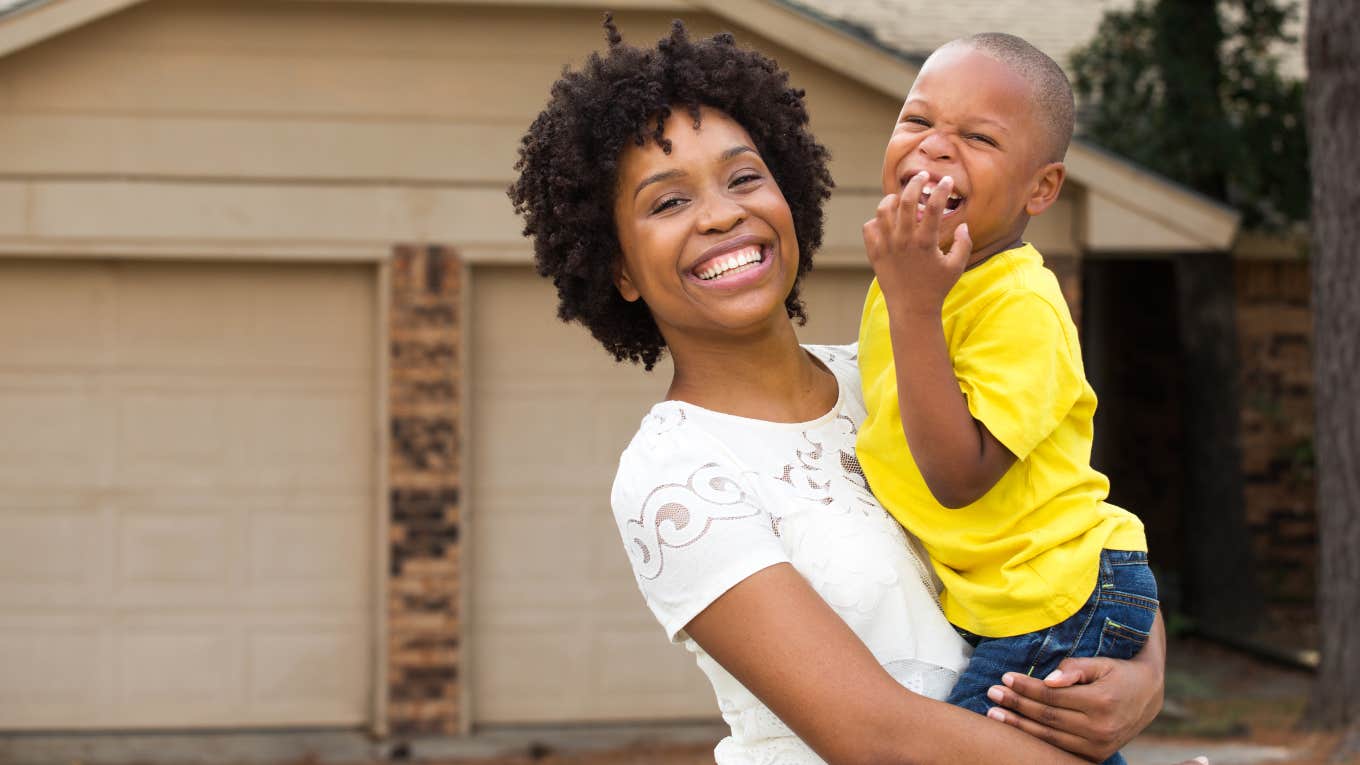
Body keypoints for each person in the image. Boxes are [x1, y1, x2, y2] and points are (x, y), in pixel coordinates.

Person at [509, 18, 1177, 765]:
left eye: (744, 177)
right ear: (621, 270)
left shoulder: (893, 373)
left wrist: (1142, 671)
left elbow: (1069, 518)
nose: (722, 214)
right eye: (667, 203)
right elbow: (873, 735)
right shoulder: (676, 475)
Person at [855, 34, 1158, 764]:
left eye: (978, 137)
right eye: (918, 120)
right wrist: (914, 298)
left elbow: (960, 476)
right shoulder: (917, 280)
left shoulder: (1019, 302)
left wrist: (914, 306)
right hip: (1015, 597)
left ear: (1041, 189)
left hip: (1057, 597)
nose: (935, 148)